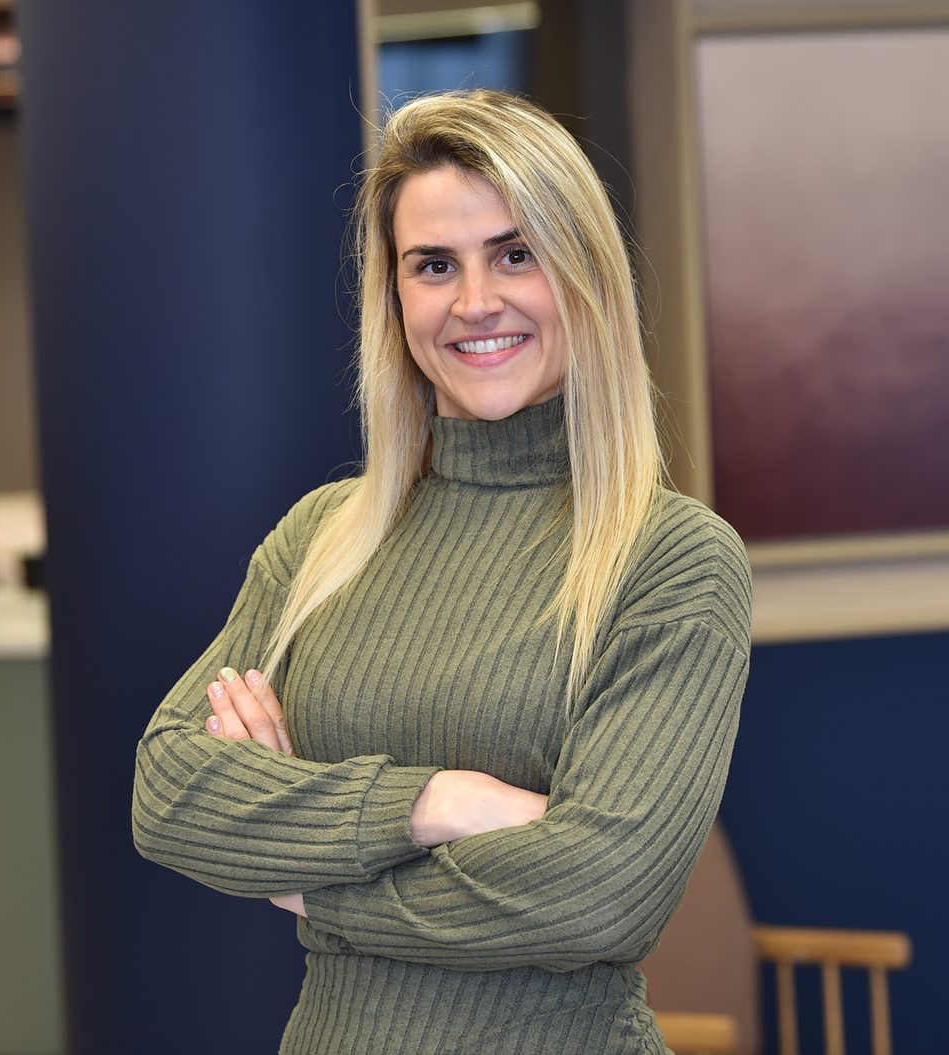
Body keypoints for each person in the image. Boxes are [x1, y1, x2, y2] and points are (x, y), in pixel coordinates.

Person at [133, 89, 751, 1054]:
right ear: (395, 296)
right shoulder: (321, 539)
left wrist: (314, 885)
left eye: (516, 252)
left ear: (584, 273)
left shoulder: (671, 559)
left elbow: (603, 896)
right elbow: (170, 792)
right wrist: (436, 803)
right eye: (433, 265)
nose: (475, 302)